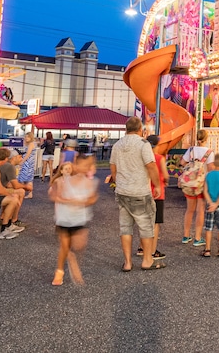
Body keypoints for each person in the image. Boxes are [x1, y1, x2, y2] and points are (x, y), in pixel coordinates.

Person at [106, 116, 163, 271]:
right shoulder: (143, 144)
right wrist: (157, 185)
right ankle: (146, 260)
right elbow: (151, 166)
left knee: (125, 227)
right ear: (140, 129)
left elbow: (113, 168)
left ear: (126, 129)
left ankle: (127, 263)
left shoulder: (117, 145)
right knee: (146, 227)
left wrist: (119, 182)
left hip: (122, 192)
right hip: (140, 192)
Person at [49, 155, 99, 286]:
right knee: (65, 247)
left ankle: (71, 256)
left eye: (87, 166)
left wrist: (85, 201)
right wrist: (68, 201)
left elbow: (93, 198)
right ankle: (59, 271)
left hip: (80, 219)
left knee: (79, 245)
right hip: (64, 218)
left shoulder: (90, 182)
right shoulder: (63, 181)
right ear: (75, 165)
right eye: (82, 165)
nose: (85, 168)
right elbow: (53, 196)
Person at [137, 134, 169, 261]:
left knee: (144, 222)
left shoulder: (142, 158)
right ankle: (152, 251)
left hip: (144, 191)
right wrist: (164, 180)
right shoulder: (159, 158)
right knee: (155, 223)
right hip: (157, 194)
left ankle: (141, 248)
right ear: (157, 145)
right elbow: (165, 175)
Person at [180, 129, 211, 246]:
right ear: (206, 139)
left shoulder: (191, 150)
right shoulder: (209, 152)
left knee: (189, 210)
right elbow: (211, 168)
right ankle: (197, 237)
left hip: (190, 183)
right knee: (200, 210)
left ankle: (186, 235)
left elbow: (182, 162)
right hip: (201, 184)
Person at [201, 153, 219, 257]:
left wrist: (211, 203)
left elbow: (205, 191)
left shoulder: (208, 175)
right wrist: (216, 204)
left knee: (209, 227)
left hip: (210, 204)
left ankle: (207, 249)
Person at [18, 132, 37, 199]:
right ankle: (29, 193)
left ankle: (25, 192)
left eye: (27, 137)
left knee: (25, 178)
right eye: (25, 137)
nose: (26, 138)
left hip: (28, 163)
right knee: (28, 179)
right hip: (29, 162)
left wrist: (22, 162)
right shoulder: (32, 144)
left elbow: (27, 154)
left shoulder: (31, 144)